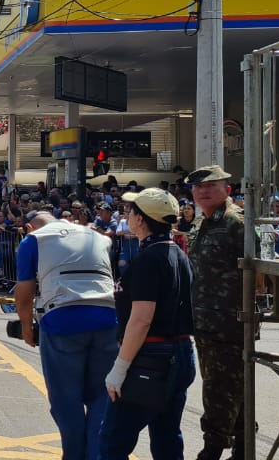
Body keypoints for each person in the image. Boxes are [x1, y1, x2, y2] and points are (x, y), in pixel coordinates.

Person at [14, 211, 119, 460]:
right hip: (108, 318)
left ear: (29, 227)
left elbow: (24, 292)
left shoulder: (34, 240)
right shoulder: (97, 236)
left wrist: (27, 327)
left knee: (66, 399)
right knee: (102, 397)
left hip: (62, 320)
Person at [99, 189, 195, 459]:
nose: (127, 216)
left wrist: (119, 368)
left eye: (131, 211)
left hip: (151, 358)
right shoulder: (178, 254)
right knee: (167, 439)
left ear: (141, 219)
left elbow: (141, 320)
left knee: (112, 442)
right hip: (181, 353)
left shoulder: (149, 259)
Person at [187, 165, 251, 460]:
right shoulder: (203, 223)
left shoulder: (236, 222)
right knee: (230, 386)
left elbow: (255, 270)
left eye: (210, 186)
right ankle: (242, 444)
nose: (203, 191)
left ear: (227, 189)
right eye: (198, 187)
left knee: (220, 387)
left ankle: (212, 448)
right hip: (206, 320)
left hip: (231, 320)